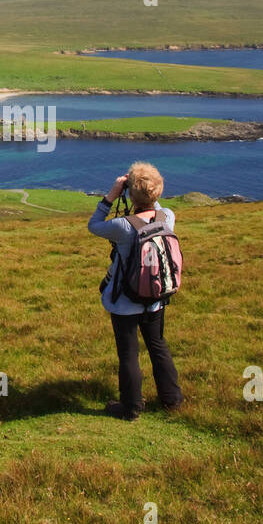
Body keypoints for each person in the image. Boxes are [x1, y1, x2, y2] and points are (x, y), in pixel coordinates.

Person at [87, 161, 184, 420]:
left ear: (130, 193)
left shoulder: (123, 226)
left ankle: (130, 407)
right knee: (157, 345)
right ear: (158, 192)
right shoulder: (168, 217)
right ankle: (172, 400)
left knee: (128, 353)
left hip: (125, 300)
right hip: (155, 297)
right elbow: (157, 207)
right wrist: (145, 189)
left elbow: (94, 225)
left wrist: (111, 196)